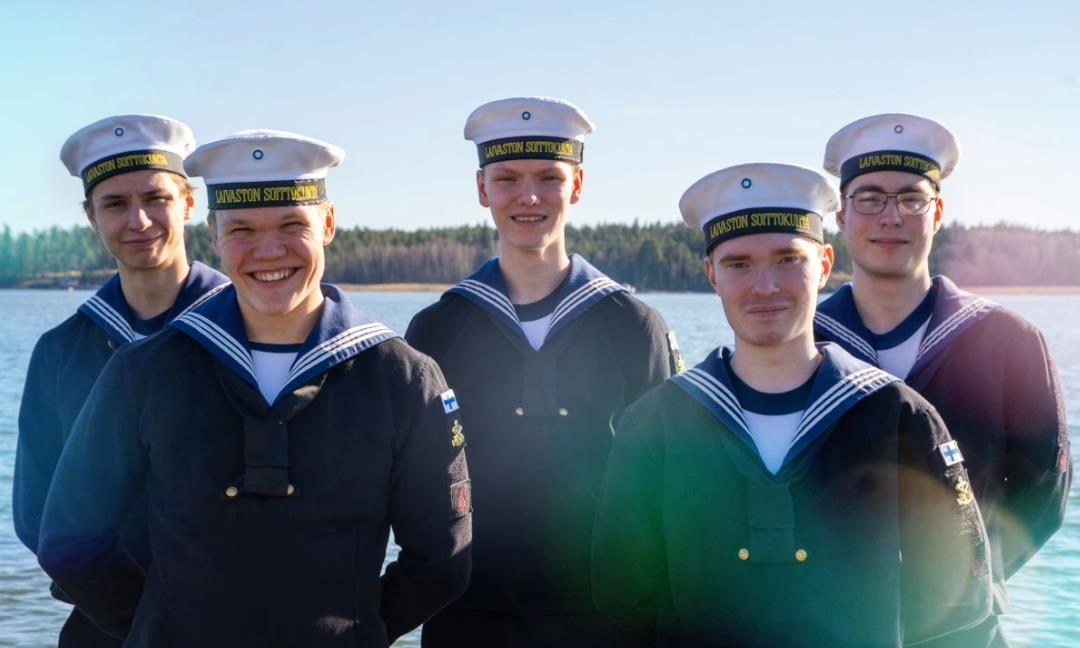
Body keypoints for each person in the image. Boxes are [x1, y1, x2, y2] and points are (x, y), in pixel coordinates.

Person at [37, 130, 472, 646]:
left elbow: (442, 560)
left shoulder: (402, 378)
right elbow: (70, 543)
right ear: (214, 236)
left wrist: (353, 629)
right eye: (242, 228)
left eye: (292, 224)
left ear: (328, 223)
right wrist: (160, 627)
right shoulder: (145, 372)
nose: (268, 250)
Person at [592, 162, 992, 647]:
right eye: (739, 264)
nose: (765, 286)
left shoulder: (897, 418)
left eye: (787, 259)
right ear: (711, 274)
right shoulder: (656, 425)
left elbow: (961, 609)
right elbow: (622, 605)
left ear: (824, 264)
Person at [406, 97, 681, 647]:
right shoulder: (437, 329)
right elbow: (413, 491)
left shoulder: (633, 325)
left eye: (549, 178)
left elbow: (668, 492)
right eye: (507, 179)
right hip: (468, 624)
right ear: (481, 189)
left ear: (577, 185)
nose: (528, 196)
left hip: (607, 626)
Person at [814, 113, 1071, 647]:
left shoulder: (1007, 341)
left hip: (964, 632)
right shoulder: (804, 343)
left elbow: (1044, 490)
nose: (891, 216)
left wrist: (961, 582)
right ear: (840, 215)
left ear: (937, 212)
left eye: (912, 198)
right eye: (869, 198)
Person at [14, 113, 228, 647]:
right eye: (114, 204)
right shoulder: (62, 352)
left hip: (237, 621)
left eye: (156, 198)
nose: (139, 220)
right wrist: (141, 619)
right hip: (109, 626)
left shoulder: (247, 331)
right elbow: (37, 515)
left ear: (189, 203)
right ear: (91, 217)